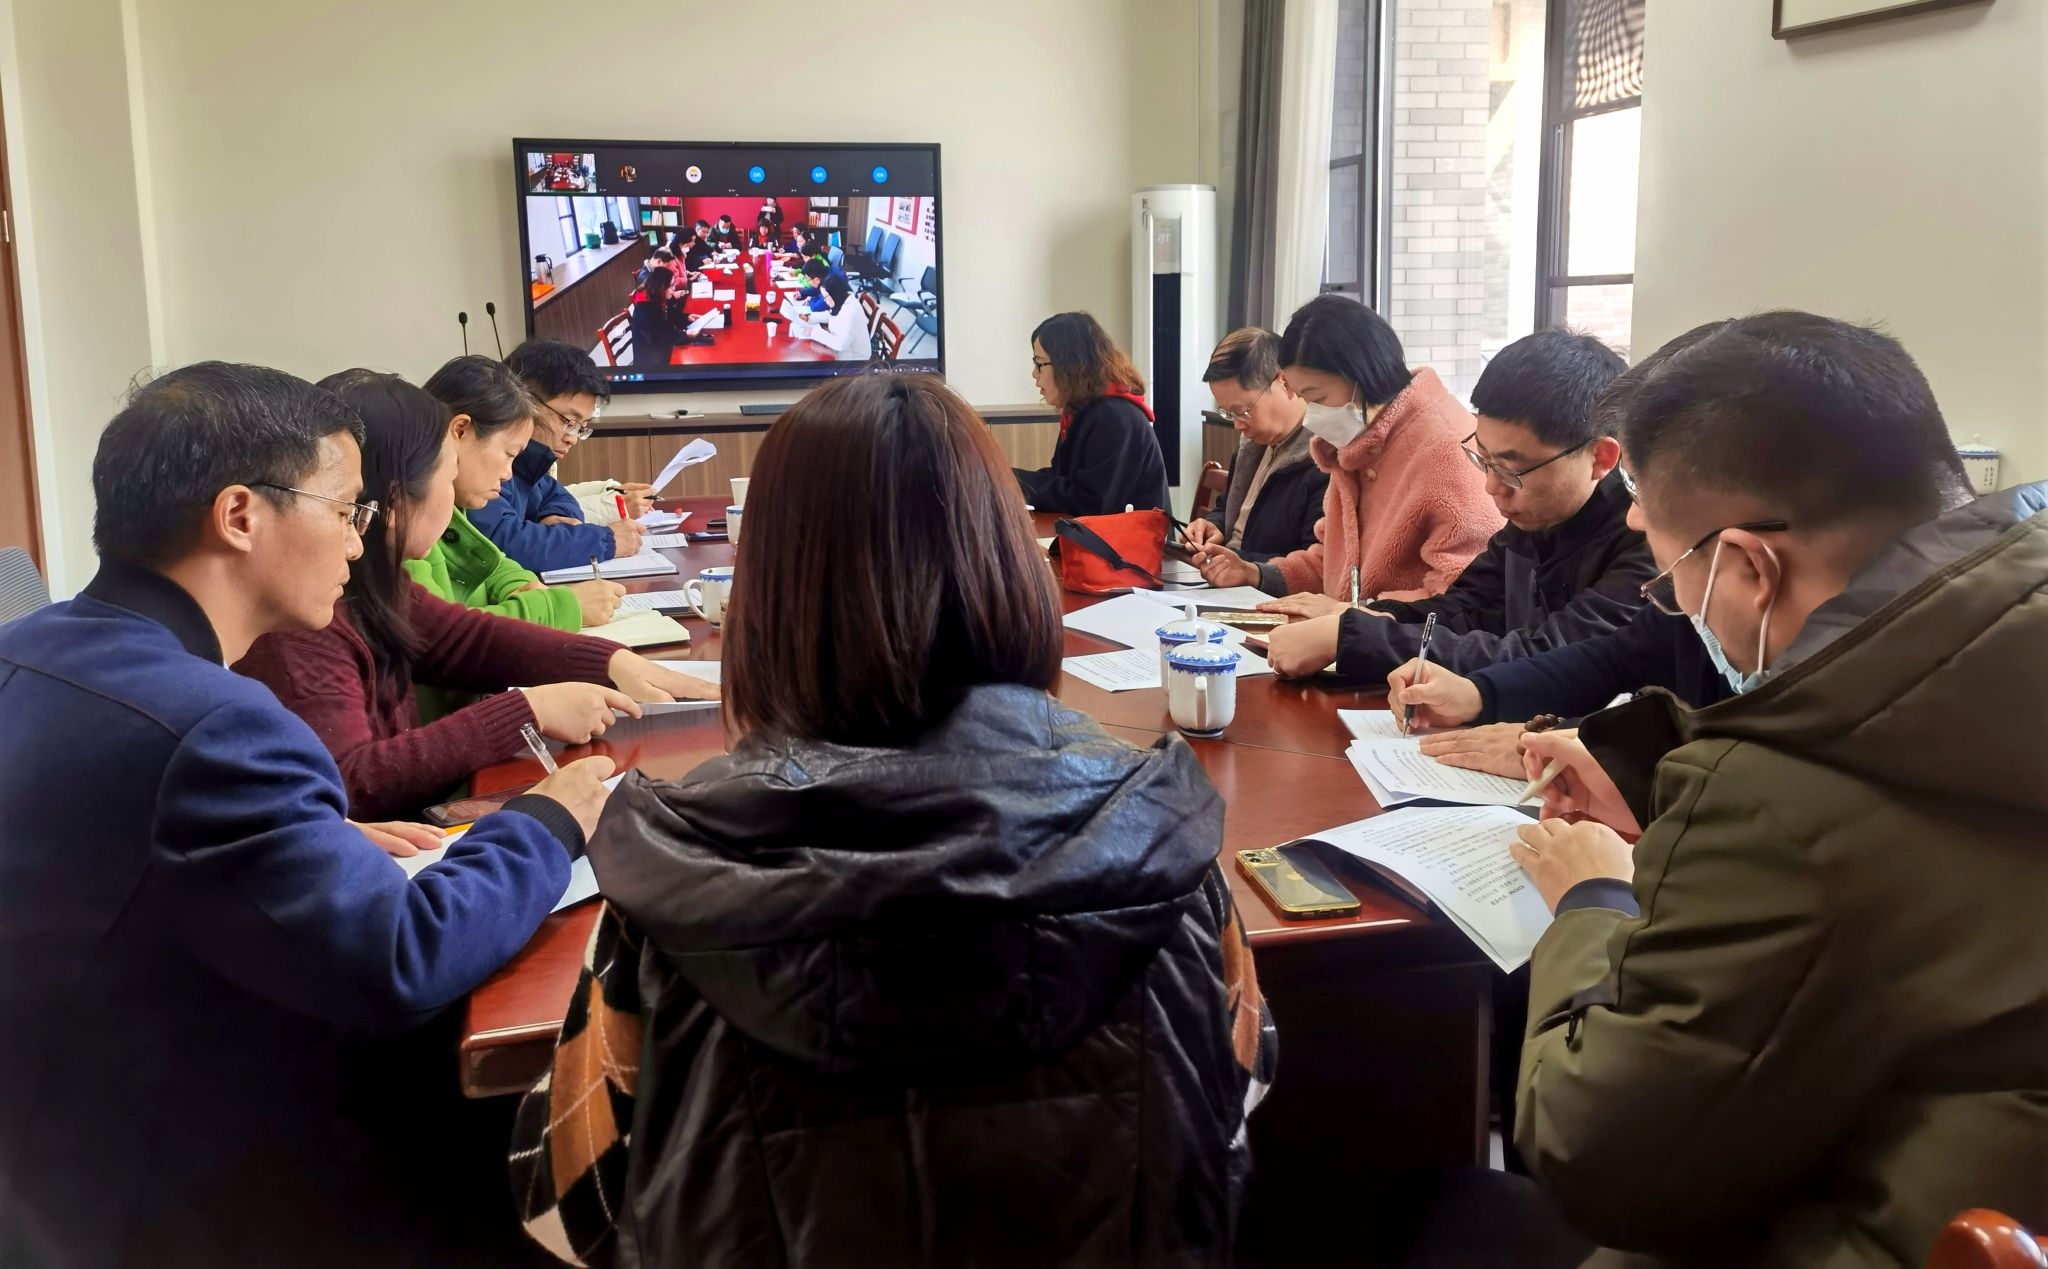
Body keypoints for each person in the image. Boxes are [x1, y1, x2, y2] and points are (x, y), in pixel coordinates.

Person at [507, 373, 1278, 1268]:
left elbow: (570, 1210)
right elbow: (1239, 1092)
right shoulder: (1157, 827)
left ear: (770, 591)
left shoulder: (671, 871)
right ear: (1008, 559)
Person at [1448, 313, 2045, 1266]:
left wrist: (1591, 899)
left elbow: (1592, 1155)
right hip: (1970, 1172)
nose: (1676, 604)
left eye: (1670, 579)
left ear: (1751, 568)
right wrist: (1653, 772)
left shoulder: (1778, 809)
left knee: (1445, 1211)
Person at [0, 361, 618, 1268]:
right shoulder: (217, 724)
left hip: (50, 1138)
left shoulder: (29, 645)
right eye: (345, 511)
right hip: (174, 1183)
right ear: (240, 515)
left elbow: (120, 856)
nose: (359, 546)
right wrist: (545, 822)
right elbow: (404, 955)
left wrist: (304, 835)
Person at [236, 369, 717, 821]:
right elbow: (352, 779)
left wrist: (610, 661)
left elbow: (463, 638)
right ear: (395, 499)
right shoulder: (305, 617)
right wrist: (527, 711)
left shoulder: (372, 584)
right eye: (447, 479)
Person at [1264, 329, 1646, 680]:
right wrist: (1362, 618)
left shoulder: (1645, 539)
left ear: (1600, 458)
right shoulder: (1534, 518)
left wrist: (1355, 636)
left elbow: (1551, 656)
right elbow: (1466, 608)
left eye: (1512, 469)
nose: (1492, 487)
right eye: (1484, 460)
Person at [1192, 295, 1498, 608]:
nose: (1310, 416)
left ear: (1360, 375)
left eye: (1317, 397)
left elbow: (1462, 600)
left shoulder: (1444, 451)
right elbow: (1334, 563)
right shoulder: (1357, 444)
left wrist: (1351, 617)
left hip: (1398, 637)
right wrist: (1254, 573)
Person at [411, 354, 622, 638]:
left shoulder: (453, 503)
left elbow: (494, 560)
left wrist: (521, 584)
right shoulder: (411, 519)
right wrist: (560, 607)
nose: (507, 474)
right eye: (509, 454)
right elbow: (442, 636)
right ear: (460, 430)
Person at [468, 339, 646, 572]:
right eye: (569, 421)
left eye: (581, 428)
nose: (573, 438)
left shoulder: (527, 463)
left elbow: (556, 495)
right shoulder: (483, 457)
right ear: (522, 398)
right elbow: (504, 543)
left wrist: (555, 515)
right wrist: (607, 541)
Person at [1184, 326, 1328, 562]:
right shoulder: (1252, 447)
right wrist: (1213, 525)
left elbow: (1313, 566)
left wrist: (1242, 565)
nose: (1237, 425)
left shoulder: (1323, 459)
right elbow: (1227, 508)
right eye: (1228, 413)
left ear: (1285, 382)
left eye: (1242, 411)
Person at [1014, 311, 1170, 514]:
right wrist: (1012, 480)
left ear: (1069, 365)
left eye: (1039, 364)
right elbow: (1064, 479)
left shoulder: (1115, 417)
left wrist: (1016, 482)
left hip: (1136, 534)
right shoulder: (1083, 410)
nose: (1034, 374)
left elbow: (1092, 503)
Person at [794, 257, 869, 359]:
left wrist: (814, 332)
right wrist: (809, 317)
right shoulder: (842, 299)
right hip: (842, 349)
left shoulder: (850, 311)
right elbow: (831, 315)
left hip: (853, 358)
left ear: (834, 294)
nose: (825, 300)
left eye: (826, 297)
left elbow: (840, 344)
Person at [629, 264, 685, 370]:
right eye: (671, 285)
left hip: (661, 351)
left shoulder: (660, 298)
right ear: (661, 287)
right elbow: (661, 339)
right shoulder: (644, 309)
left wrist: (687, 318)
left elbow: (671, 320)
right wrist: (686, 335)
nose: (674, 289)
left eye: (674, 284)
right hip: (651, 365)